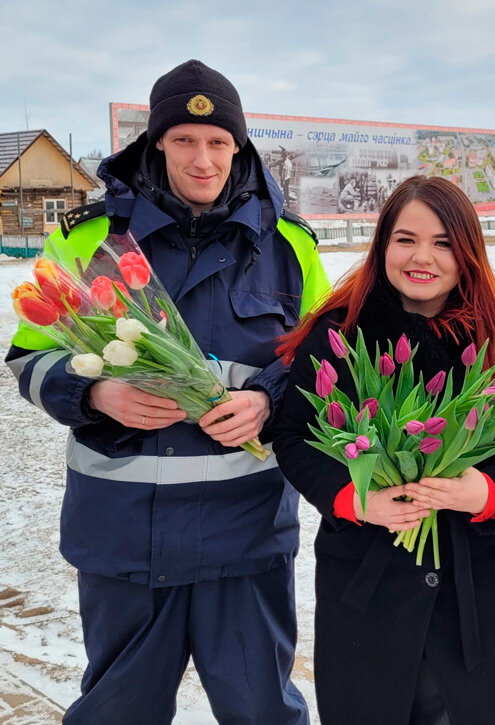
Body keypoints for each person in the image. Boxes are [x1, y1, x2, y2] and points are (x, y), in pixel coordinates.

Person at [5, 59, 330, 724]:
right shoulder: (87, 237)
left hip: (245, 536)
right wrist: (94, 395)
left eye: (218, 142)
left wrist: (268, 398)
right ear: (156, 142)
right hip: (124, 536)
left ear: (238, 146)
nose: (203, 158)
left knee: (264, 711)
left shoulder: (290, 246)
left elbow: (323, 365)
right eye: (184, 139)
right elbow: (30, 359)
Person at [272, 175, 495, 724]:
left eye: (443, 242)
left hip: (483, 587)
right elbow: (294, 437)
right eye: (406, 239)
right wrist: (354, 499)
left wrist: (486, 492)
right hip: (369, 588)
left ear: (467, 251)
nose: (423, 257)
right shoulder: (339, 334)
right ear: (382, 246)